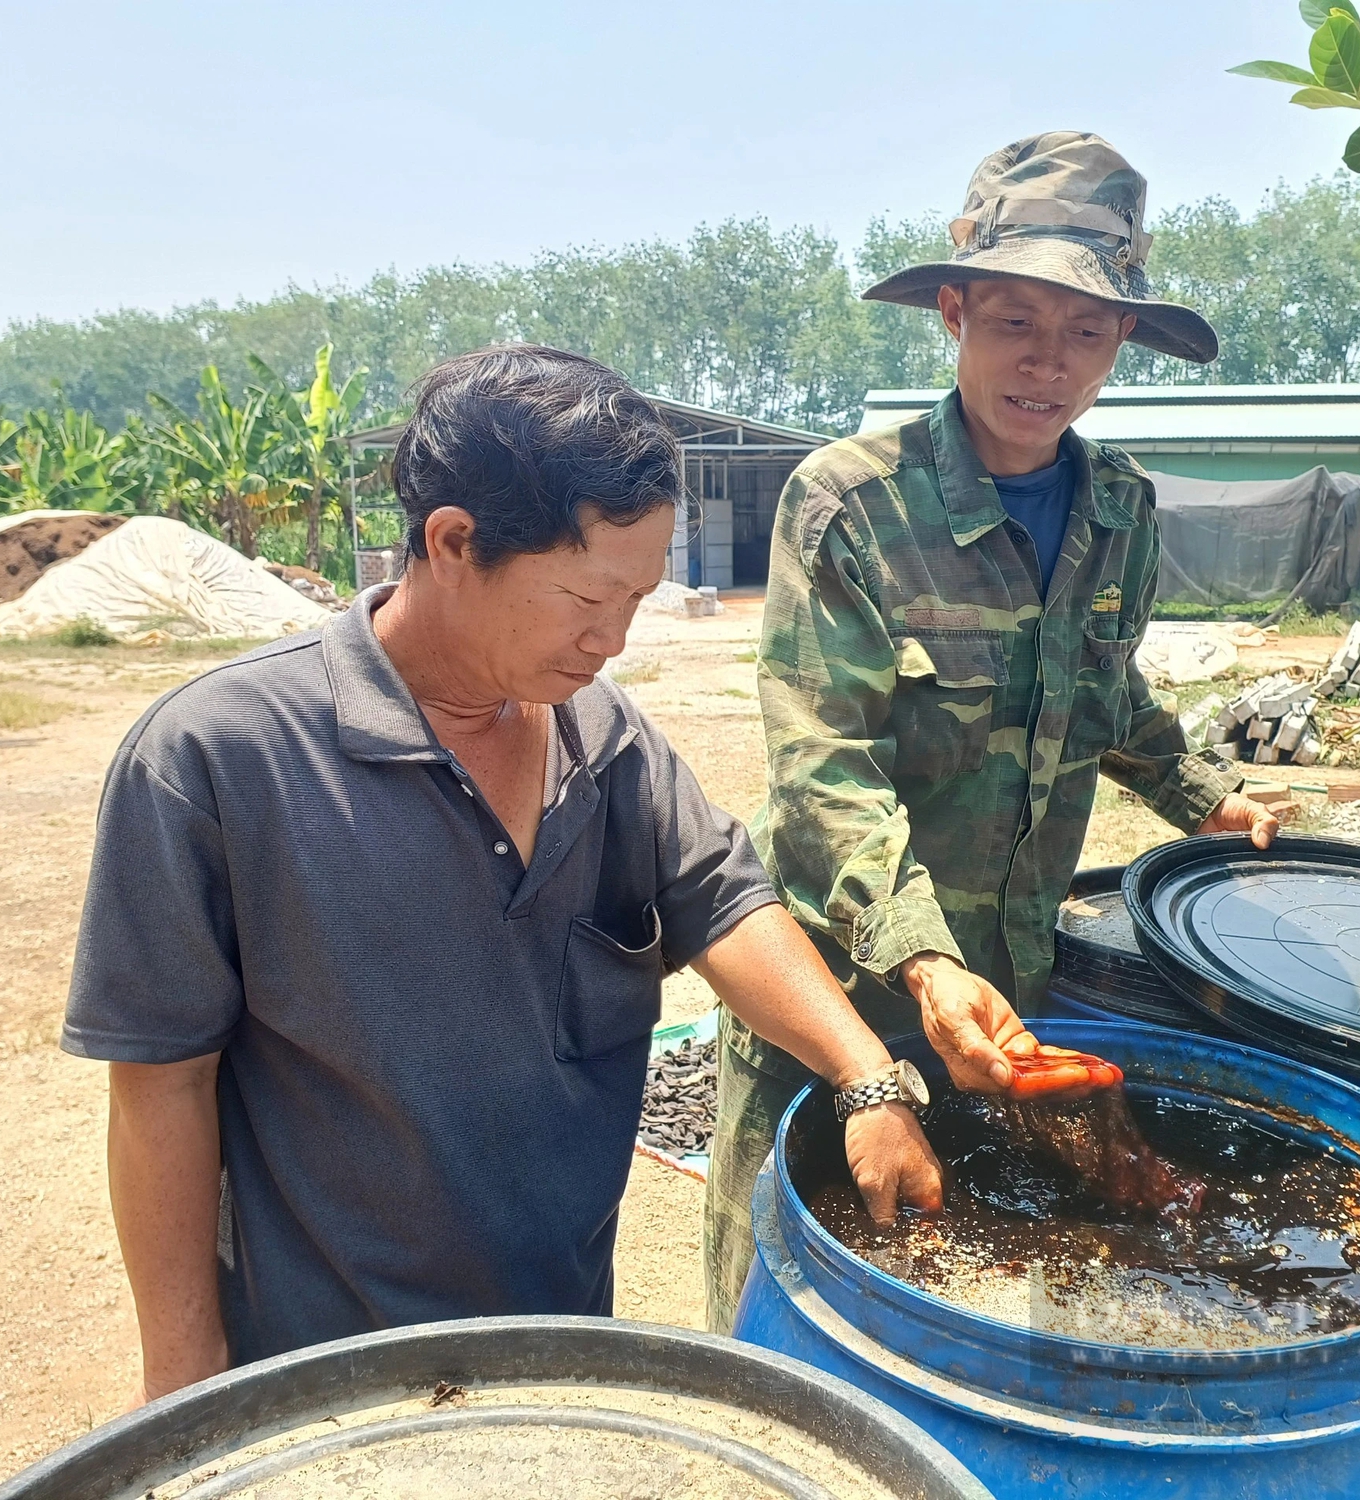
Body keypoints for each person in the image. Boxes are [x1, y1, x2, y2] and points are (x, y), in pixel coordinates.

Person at [63, 345, 943, 1404]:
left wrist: (866, 1074)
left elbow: (721, 899)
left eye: (637, 600)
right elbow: (160, 1083)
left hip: (560, 1337)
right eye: (585, 596)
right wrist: (183, 1378)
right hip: (326, 1368)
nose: (611, 642)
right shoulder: (216, 760)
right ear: (452, 543)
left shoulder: (603, 738)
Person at [703, 132, 1281, 1331]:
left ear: (1122, 341)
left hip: (1008, 988)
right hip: (845, 981)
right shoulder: (848, 502)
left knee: (963, 1284)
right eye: (1016, 321)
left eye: (1085, 331)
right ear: (952, 315)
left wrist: (1202, 797)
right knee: (788, 1301)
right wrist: (922, 962)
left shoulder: (1118, 508)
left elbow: (1103, 689)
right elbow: (824, 767)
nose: (1048, 363)